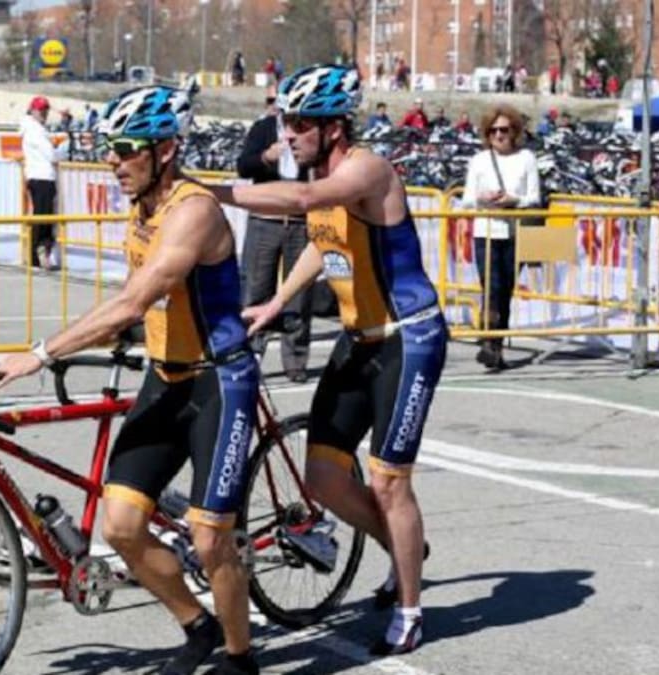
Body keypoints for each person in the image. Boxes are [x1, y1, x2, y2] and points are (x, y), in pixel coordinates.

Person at [0, 85, 261, 675]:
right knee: (122, 526)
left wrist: (42, 353)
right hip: (166, 377)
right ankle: (199, 626)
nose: (112, 161)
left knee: (211, 536)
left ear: (165, 149)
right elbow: (142, 303)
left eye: (125, 149)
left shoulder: (193, 211)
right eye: (107, 148)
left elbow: (135, 300)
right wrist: (110, 341)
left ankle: (241, 660)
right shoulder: (140, 207)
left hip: (220, 382)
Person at [208, 64, 448, 656]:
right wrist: (275, 302)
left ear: (334, 127)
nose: (284, 134)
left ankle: (410, 608)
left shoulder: (366, 168)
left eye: (297, 124)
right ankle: (406, 547)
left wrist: (207, 191)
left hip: (406, 338)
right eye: (284, 122)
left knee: (389, 482)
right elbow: (323, 239)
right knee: (322, 478)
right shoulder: (323, 174)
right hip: (356, 339)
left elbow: (309, 200)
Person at [236, 87, 312, 383]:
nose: (272, 107)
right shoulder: (263, 128)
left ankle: (296, 360)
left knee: (298, 295)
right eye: (270, 102)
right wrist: (266, 157)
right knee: (256, 290)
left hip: (299, 221)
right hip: (264, 219)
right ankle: (250, 354)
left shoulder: (307, 131)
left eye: (276, 103)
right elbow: (243, 166)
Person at [459, 104, 540, 370]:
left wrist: (512, 200)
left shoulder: (527, 158)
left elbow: (534, 197)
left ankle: (496, 346)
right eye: (493, 131)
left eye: (503, 130)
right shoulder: (480, 160)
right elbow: (467, 199)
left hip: (515, 232)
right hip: (486, 232)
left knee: (505, 292)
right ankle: (488, 342)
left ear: (514, 131)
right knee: (491, 289)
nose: (498, 135)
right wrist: (483, 199)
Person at [22, 95, 60, 270]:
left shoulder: (32, 129)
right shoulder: (35, 130)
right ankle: (37, 254)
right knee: (43, 217)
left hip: (38, 176)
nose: (44, 113)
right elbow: (51, 155)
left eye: (45, 110)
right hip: (42, 176)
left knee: (41, 215)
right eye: (41, 110)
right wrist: (59, 152)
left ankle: (36, 254)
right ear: (33, 110)